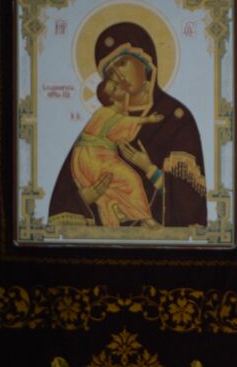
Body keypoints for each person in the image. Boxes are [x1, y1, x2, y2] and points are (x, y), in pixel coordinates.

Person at [48, 22, 208, 229]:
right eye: (110, 72)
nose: (119, 76)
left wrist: (150, 170)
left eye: (122, 62)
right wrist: (86, 197)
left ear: (146, 61)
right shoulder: (99, 121)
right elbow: (65, 194)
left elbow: (191, 203)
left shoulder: (175, 118)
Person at [68, 75, 167, 228]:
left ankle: (113, 217)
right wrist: (148, 120)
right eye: (115, 88)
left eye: (116, 85)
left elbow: (118, 135)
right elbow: (122, 124)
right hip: (93, 157)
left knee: (109, 191)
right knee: (131, 179)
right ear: (110, 98)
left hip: (92, 157)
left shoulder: (109, 112)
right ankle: (146, 220)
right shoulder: (106, 113)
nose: (120, 87)